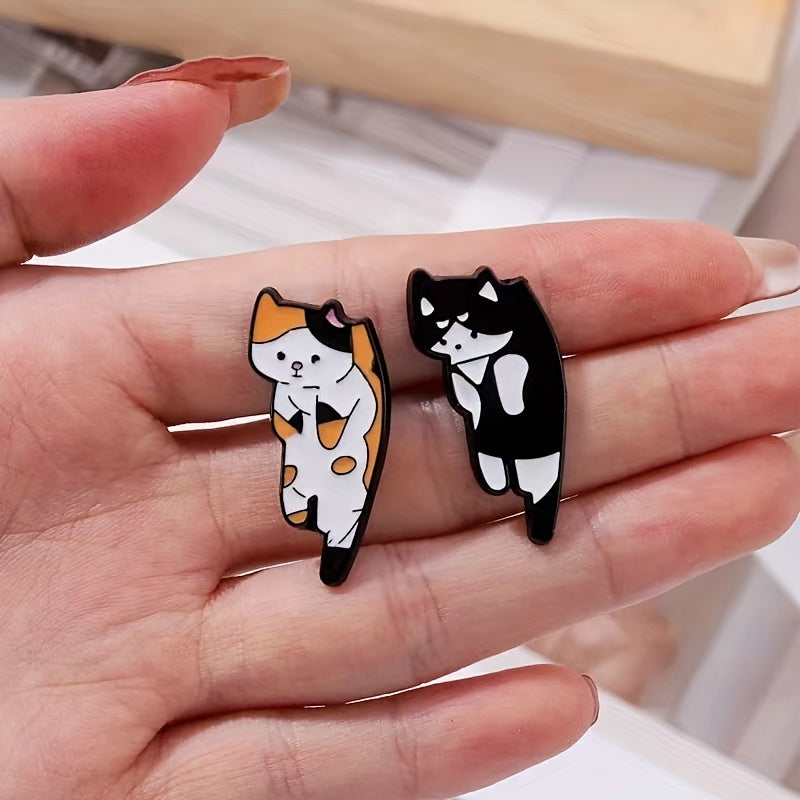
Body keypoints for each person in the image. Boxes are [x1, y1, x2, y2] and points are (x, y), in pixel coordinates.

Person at [1, 55, 799, 800]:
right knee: (353, 490)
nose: (291, 368)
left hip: (425, 433)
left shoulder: (448, 356)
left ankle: (476, 497)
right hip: (340, 457)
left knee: (489, 465)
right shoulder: (326, 380)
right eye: (283, 359)